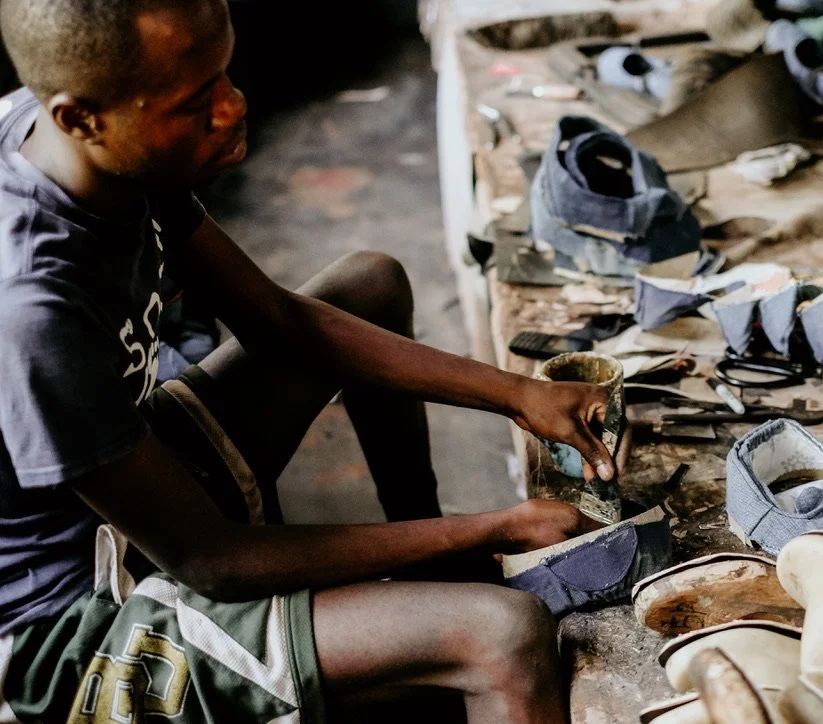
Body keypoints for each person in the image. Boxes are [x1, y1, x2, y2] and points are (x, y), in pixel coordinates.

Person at [0, 1, 626, 721]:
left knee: (370, 285)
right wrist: (492, 526)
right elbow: (216, 563)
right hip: (72, 623)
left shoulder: (80, 130)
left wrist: (518, 393)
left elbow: (279, 321)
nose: (233, 105)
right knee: (504, 636)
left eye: (224, 75)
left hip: (134, 493)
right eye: (196, 101)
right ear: (81, 119)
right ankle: (448, 588)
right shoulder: (30, 310)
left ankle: (428, 558)